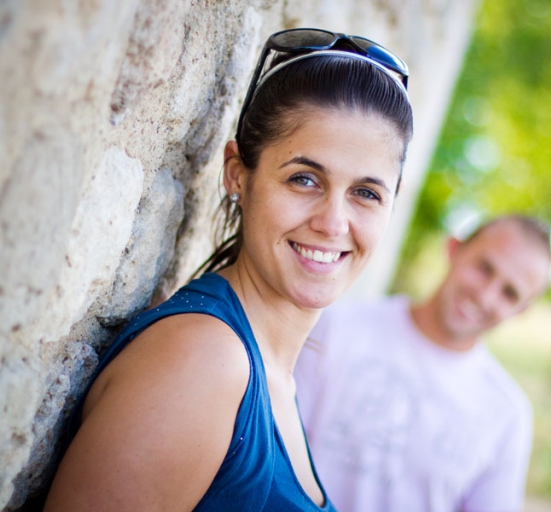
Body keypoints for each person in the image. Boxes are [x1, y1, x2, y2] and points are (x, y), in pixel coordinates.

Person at [44, 28, 413, 511]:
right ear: (238, 173)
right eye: (304, 179)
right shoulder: (203, 361)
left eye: (366, 193)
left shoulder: (269, 370)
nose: (333, 223)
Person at [294, 215, 551, 512]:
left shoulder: (508, 415)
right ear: (455, 249)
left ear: (522, 310)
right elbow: (275, 455)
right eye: (484, 268)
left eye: (509, 293)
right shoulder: (335, 327)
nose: (485, 295)